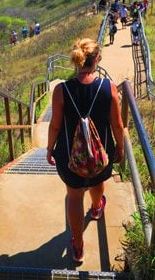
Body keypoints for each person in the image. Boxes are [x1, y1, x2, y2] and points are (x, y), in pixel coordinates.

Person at [46, 38, 125, 263]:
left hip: (69, 156)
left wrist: (50, 148)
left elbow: (55, 125)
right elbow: (118, 124)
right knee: (96, 178)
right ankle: (96, 207)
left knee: (73, 195)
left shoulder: (61, 90)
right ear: (97, 59)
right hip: (100, 154)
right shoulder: (107, 87)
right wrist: (120, 147)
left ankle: (78, 245)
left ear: (76, 60)